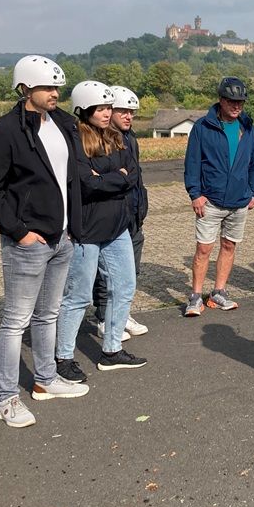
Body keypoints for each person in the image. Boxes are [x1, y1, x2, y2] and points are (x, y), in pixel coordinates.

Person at [0, 55, 89, 429]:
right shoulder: (5, 131)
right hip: (28, 242)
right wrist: (19, 232)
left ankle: (45, 379)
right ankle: (7, 398)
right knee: (15, 322)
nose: (56, 93)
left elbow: (71, 177)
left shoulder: (63, 124)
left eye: (57, 87)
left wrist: (72, 226)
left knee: (48, 315)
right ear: (25, 88)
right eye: (47, 88)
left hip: (63, 237)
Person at [54, 81, 147, 380]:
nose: (108, 113)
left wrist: (106, 175)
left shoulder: (116, 137)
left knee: (125, 286)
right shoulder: (75, 140)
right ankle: (63, 357)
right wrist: (114, 174)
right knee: (79, 295)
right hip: (88, 230)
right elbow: (85, 182)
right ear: (84, 109)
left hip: (117, 227)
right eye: (101, 108)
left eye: (109, 108)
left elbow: (131, 175)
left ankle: (111, 349)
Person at [182, 76, 254, 316]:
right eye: (232, 101)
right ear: (221, 100)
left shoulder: (248, 127)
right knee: (204, 249)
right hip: (211, 201)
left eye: (241, 102)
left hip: (239, 202)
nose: (237, 106)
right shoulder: (202, 127)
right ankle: (196, 296)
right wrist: (195, 194)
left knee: (229, 246)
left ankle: (218, 293)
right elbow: (192, 163)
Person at [91, 85, 148, 341]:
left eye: (132, 113)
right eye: (123, 112)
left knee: (130, 271)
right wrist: (120, 178)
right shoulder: (101, 139)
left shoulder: (130, 138)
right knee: (107, 274)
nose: (128, 117)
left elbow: (134, 176)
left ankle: (121, 314)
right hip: (112, 215)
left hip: (133, 214)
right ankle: (104, 318)